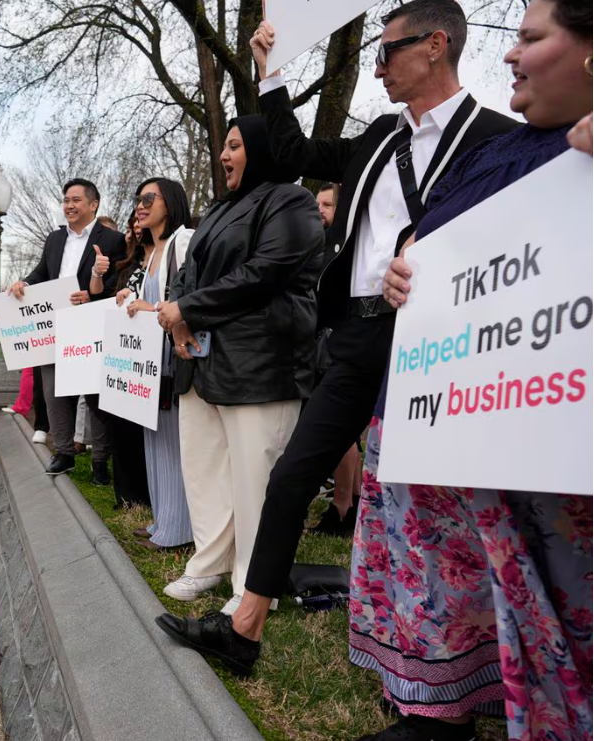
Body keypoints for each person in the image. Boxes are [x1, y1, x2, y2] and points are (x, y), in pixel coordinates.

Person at [162, 0, 520, 677]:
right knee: (294, 473)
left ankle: (467, 663)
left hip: (441, 342)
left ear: (437, 45)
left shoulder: (497, 138)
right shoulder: (381, 137)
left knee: (433, 501)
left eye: (389, 52)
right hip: (356, 336)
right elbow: (295, 152)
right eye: (375, 53)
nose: (378, 65)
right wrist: (268, 75)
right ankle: (244, 628)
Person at [360, 3, 592, 739]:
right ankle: (434, 709)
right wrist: (406, 271)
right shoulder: (498, 152)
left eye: (530, 38)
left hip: (542, 437)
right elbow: (433, 247)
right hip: (443, 415)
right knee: (438, 579)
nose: (509, 56)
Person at [151, 116, 323, 609]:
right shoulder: (220, 208)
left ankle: (253, 584)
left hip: (261, 364)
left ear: (263, 149)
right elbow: (187, 273)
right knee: (205, 470)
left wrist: (189, 309)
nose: (223, 155)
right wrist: (179, 317)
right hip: (203, 361)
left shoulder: (292, 201)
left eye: (234, 145)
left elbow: (264, 273)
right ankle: (211, 562)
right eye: (223, 146)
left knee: (255, 480)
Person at [7, 178, 125, 482]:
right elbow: (42, 272)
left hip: (91, 326)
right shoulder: (54, 239)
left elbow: (121, 283)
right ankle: (63, 453)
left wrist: (95, 294)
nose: (69, 206)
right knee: (53, 391)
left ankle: (100, 460)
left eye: (75, 200)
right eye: (65, 200)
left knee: (94, 393)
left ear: (93, 204)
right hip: (55, 325)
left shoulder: (113, 239)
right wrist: (26, 283)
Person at [113, 178, 195, 551]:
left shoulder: (184, 241)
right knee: (156, 440)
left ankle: (179, 531)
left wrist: (151, 307)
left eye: (149, 198)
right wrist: (133, 296)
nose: (140, 206)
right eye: (138, 200)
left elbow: (190, 297)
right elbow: (152, 299)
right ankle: (163, 520)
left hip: (173, 358)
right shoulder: (154, 250)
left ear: (171, 201)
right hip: (150, 361)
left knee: (176, 445)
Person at [309, 181, 364, 538]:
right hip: (327, 344)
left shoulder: (346, 245)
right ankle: (352, 500)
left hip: (340, 343)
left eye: (327, 204)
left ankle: (343, 505)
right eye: (316, 204)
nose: (320, 211)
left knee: (342, 432)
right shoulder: (320, 245)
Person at [98, 212, 153, 510]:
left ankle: (145, 497)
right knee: (121, 425)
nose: (135, 233)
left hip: (149, 358)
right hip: (122, 357)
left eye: (139, 227)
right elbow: (102, 298)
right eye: (132, 229)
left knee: (143, 431)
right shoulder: (128, 266)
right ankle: (127, 497)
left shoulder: (162, 263)